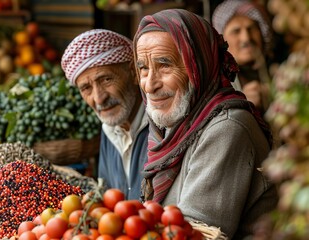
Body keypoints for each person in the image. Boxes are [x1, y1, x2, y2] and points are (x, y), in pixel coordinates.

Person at [133, 9, 278, 239]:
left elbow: (194, 232)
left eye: (164, 65)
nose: (150, 84)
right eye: (143, 68)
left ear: (198, 66)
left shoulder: (227, 127)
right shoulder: (175, 123)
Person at [61, 29, 149, 200]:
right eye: (86, 88)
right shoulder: (109, 129)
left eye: (106, 80)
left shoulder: (162, 128)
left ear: (133, 72)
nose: (99, 98)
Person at [212, 0, 273, 114]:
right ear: (222, 40)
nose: (246, 38)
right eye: (236, 31)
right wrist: (240, 105)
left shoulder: (279, 70)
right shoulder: (216, 84)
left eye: (251, 29)